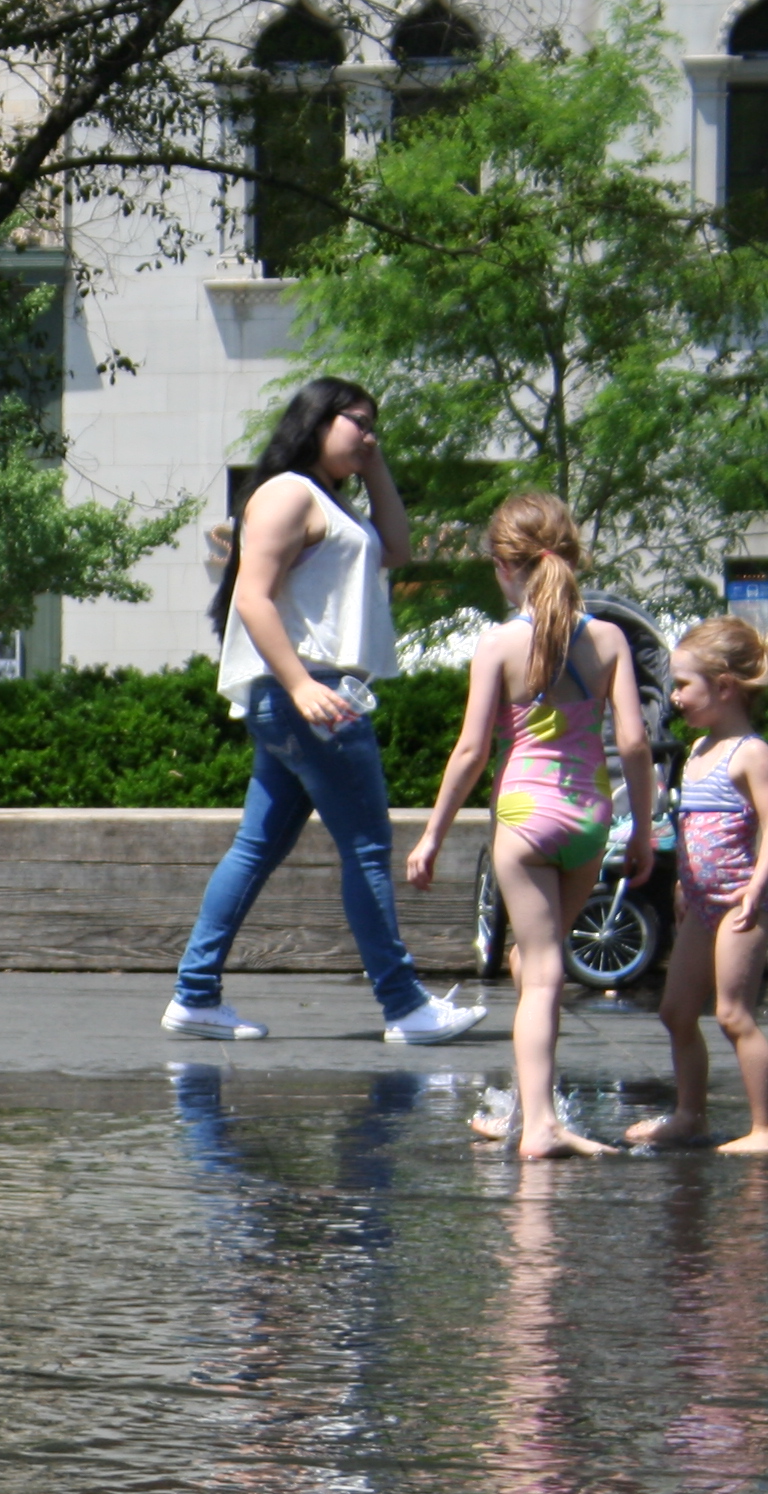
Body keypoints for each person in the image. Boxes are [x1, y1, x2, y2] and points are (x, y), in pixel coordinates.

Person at [169, 378, 481, 1049]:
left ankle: (195, 994)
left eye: (374, 425)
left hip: (302, 695)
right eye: (358, 422)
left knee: (257, 846)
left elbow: (396, 548)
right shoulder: (288, 493)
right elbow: (252, 597)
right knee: (366, 846)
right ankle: (404, 1005)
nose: (370, 434)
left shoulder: (330, 501)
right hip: (310, 691)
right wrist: (301, 685)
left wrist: (374, 464)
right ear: (317, 420)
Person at [403, 495, 655, 1159]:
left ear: (502, 566)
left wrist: (432, 835)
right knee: (534, 961)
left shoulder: (498, 644)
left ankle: (539, 1124)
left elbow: (471, 751)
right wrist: (641, 829)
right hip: (588, 818)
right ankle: (527, 1106)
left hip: (524, 818)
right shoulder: (609, 640)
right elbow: (633, 743)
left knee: (538, 972)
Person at [630, 619, 768, 1152]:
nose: (674, 696)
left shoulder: (750, 753)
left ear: (725, 686)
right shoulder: (698, 750)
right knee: (676, 1012)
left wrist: (757, 886)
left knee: (733, 1014)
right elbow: (689, 828)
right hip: (701, 904)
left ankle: (763, 1128)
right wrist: (682, 887)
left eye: (684, 685)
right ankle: (690, 1116)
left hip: (741, 905)